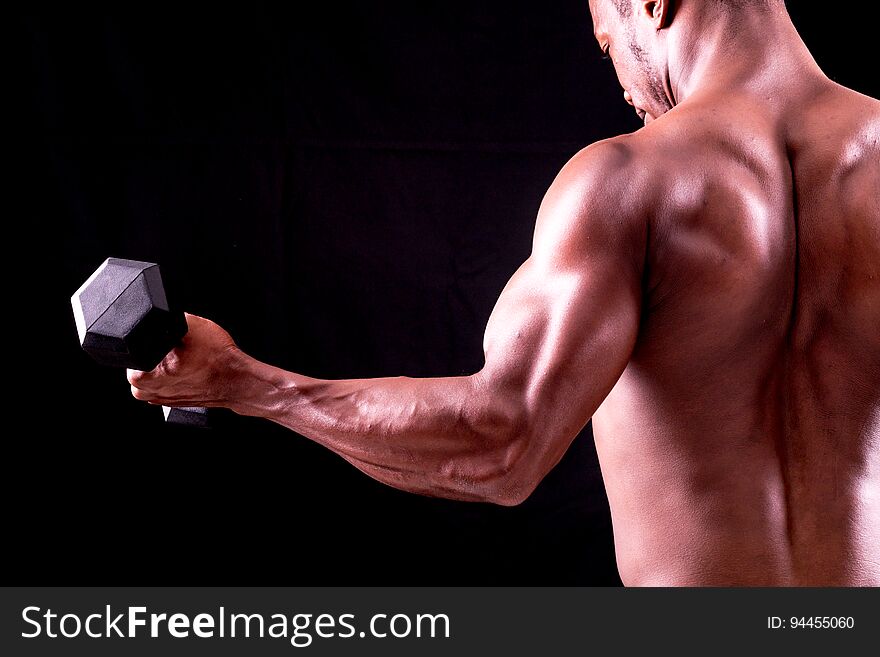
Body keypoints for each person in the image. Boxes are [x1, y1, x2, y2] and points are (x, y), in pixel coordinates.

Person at [126, 0, 880, 586]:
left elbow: (502, 443)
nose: (620, 79)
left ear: (653, 2)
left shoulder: (629, 184)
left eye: (607, 36)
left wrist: (249, 385)